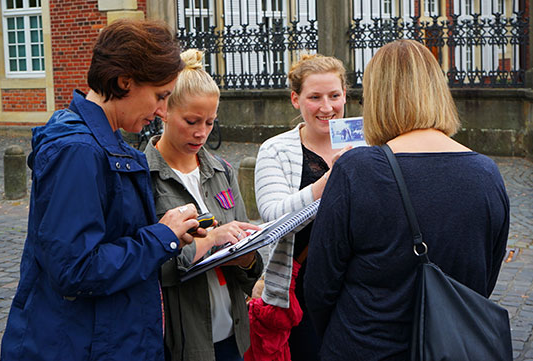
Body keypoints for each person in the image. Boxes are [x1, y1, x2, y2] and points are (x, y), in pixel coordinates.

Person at [0, 19, 207, 361]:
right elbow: (74, 268)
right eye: (160, 96)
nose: (161, 112)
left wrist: (165, 229)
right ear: (125, 82)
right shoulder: (79, 150)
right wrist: (160, 237)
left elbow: (108, 236)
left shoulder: (102, 142)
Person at [304, 39, 510, 359]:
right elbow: (484, 277)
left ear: (377, 98)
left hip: (364, 346)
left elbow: (320, 284)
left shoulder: (357, 170)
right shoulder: (486, 173)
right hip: (450, 347)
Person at [145, 49, 263, 361]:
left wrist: (246, 258)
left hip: (231, 335)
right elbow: (146, 262)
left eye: (210, 122)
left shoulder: (222, 170)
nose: (202, 132)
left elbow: (246, 265)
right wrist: (210, 241)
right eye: (191, 121)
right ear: (164, 111)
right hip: (179, 341)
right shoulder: (143, 175)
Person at [253, 54, 351, 360]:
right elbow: (273, 217)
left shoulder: (364, 142)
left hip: (356, 286)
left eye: (335, 96)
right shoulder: (276, 149)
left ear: (345, 95)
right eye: (314, 97)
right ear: (296, 99)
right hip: (301, 291)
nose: (327, 107)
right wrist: (330, 180)